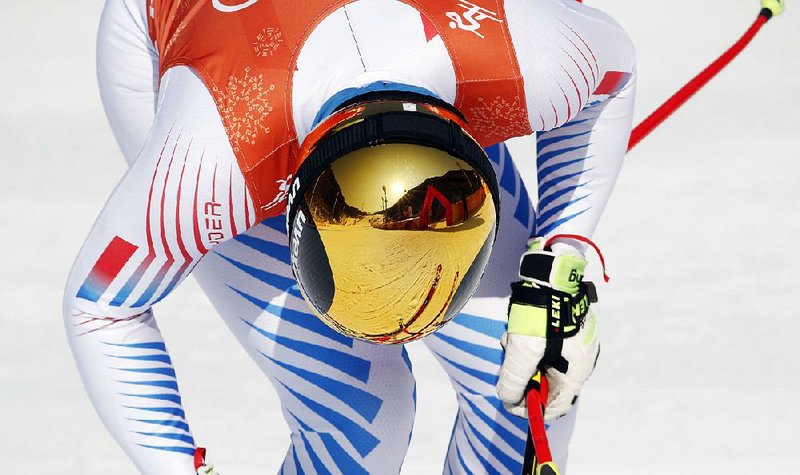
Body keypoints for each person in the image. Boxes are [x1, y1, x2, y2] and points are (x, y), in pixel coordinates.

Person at [64, 0, 635, 473]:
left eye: (444, 218)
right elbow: (101, 307)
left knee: (521, 372)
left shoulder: (525, 56)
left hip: (403, 68)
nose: (407, 322)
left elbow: (612, 76)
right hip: (217, 75)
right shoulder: (214, 160)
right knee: (362, 416)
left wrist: (560, 262)